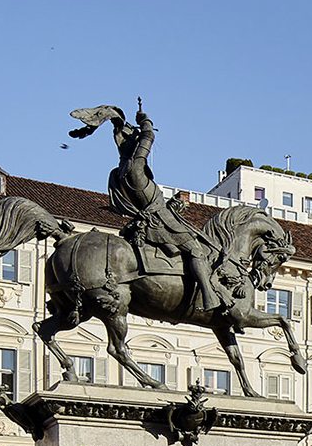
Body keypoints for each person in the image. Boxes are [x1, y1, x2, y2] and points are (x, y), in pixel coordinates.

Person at [72, 103, 226, 313]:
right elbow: (149, 136)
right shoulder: (136, 169)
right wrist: (145, 121)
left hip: (148, 219)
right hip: (159, 221)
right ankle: (208, 294)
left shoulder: (118, 173)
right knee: (196, 250)